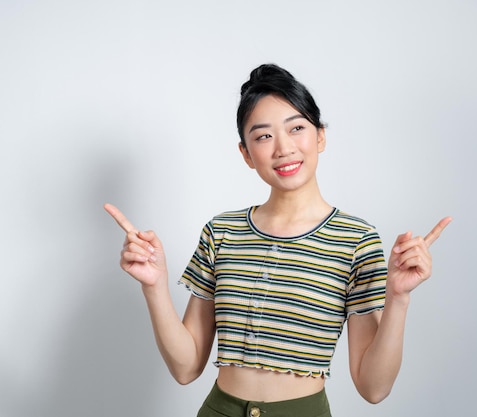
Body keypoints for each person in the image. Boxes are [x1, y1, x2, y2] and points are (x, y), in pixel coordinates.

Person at [104, 63, 451, 417]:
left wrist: (398, 298)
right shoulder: (221, 233)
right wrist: (155, 286)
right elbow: (186, 367)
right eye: (263, 136)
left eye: (296, 128)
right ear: (246, 154)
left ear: (320, 136)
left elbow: (373, 388)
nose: (283, 148)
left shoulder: (356, 240)